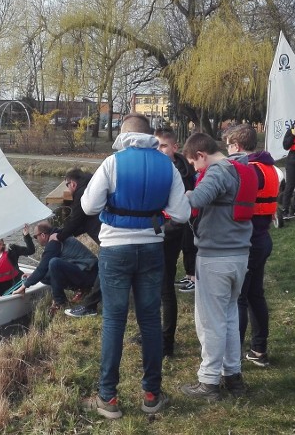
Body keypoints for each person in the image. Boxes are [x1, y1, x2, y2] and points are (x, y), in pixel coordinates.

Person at [80, 114, 190, 419]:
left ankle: (108, 398)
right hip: (152, 249)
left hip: (115, 250)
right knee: (150, 320)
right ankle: (152, 395)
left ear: (123, 135)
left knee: (114, 321)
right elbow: (181, 213)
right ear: (149, 136)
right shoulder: (167, 165)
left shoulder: (112, 163)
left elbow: (88, 206)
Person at [179, 132, 253, 402]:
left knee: (210, 322)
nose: (196, 170)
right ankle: (233, 376)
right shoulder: (241, 167)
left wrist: (187, 194)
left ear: (201, 155)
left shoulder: (216, 172)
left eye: (194, 164)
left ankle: (208, 381)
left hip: (215, 257)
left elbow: (195, 202)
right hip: (239, 255)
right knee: (230, 318)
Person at [225, 124, 278, 368]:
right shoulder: (270, 168)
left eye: (228, 145)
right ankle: (259, 349)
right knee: (256, 295)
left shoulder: (248, 170)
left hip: (247, 241)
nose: (227, 150)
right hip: (263, 238)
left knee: (240, 299)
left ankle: (233, 356)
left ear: (236, 146)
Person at [153, 127, 197, 357]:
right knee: (152, 287)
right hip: (159, 230)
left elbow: (181, 214)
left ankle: (167, 342)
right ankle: (153, 332)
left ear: (174, 147)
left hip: (169, 234)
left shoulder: (181, 173)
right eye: (156, 145)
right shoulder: (163, 167)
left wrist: (157, 230)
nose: (159, 150)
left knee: (165, 288)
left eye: (162, 145)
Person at [14, 221, 98, 316]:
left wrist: (24, 286)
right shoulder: (57, 235)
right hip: (85, 271)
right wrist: (32, 276)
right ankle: (81, 289)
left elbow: (43, 268)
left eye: (35, 236)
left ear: (43, 235)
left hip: (90, 274)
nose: (36, 239)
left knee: (54, 263)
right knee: (44, 275)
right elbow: (43, 268)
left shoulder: (54, 242)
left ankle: (60, 302)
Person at [55, 167, 103, 318]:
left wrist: (59, 236)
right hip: (111, 233)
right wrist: (69, 233)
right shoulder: (91, 187)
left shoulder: (82, 194)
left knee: (105, 270)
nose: (67, 189)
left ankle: (90, 306)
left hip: (107, 237)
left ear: (72, 184)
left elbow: (75, 220)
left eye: (67, 185)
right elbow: (82, 222)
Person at [0, 224, 35, 299]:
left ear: (3, 242)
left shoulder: (12, 249)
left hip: (15, 281)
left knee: (13, 292)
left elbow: (31, 251)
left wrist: (26, 235)